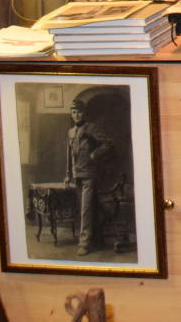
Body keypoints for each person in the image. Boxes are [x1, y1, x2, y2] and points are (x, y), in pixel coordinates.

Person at [65, 96, 117, 256]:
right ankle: (96, 239)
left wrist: (95, 154)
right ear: (71, 114)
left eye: (79, 112)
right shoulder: (71, 132)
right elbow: (69, 155)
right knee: (87, 208)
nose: (77, 115)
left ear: (84, 113)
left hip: (90, 174)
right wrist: (67, 174)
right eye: (74, 112)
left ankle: (84, 244)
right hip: (77, 175)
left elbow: (108, 143)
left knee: (86, 210)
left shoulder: (92, 128)